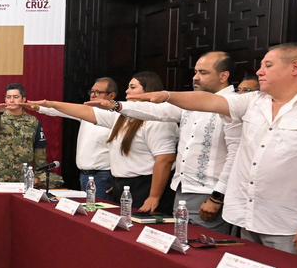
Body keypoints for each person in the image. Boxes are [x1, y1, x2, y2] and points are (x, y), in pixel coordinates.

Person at [135, 43, 297, 257]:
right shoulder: (255, 101)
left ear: (294, 67)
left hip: (290, 224)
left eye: (268, 65)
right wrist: (167, 96)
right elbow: (209, 101)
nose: (259, 71)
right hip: (247, 218)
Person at [96, 52, 241, 231]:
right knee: (180, 242)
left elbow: (236, 155)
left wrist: (217, 197)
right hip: (181, 188)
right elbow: (156, 111)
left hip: (209, 192)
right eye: (195, 72)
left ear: (223, 76)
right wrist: (117, 105)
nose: (195, 77)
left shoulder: (235, 104)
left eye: (203, 72)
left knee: (204, 246)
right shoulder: (191, 102)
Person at [30, 71, 178, 212]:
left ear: (149, 91)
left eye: (132, 87)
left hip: (145, 186)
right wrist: (49, 104)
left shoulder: (160, 120)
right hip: (122, 185)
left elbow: (165, 159)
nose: (127, 91)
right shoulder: (121, 116)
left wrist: (154, 196)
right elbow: (86, 111)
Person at [0, 84, 61, 185]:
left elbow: (40, 150)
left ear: (23, 99)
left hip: (24, 178)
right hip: (0, 177)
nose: (11, 100)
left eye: (16, 97)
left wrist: (39, 177)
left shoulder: (33, 121)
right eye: (8, 97)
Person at [74, 77, 116, 199]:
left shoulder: (116, 116)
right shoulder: (86, 112)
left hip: (103, 176)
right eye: (92, 91)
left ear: (111, 95)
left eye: (98, 92)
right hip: (84, 175)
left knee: (99, 209)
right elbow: (59, 110)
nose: (93, 95)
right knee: (86, 209)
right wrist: (39, 107)